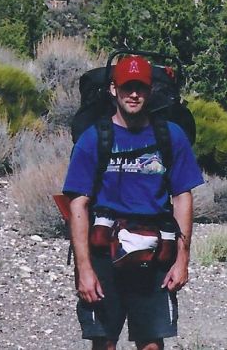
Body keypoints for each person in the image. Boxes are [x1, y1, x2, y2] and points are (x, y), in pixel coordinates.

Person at [62, 55, 204, 350]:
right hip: (104, 252)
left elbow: (182, 197)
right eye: (127, 87)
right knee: (104, 341)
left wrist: (182, 260)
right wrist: (84, 269)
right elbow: (78, 205)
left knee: (151, 342)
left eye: (140, 87)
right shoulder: (93, 139)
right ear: (114, 89)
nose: (134, 94)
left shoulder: (171, 137)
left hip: (154, 255)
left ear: (150, 90)